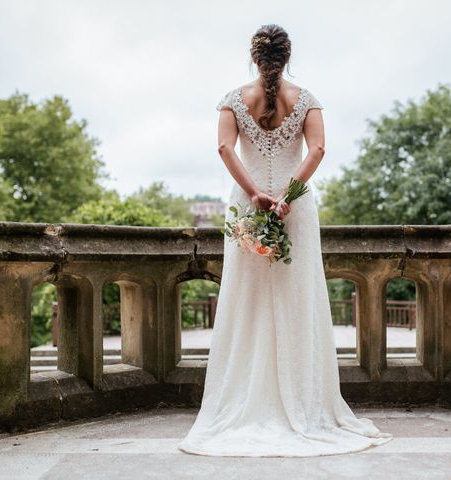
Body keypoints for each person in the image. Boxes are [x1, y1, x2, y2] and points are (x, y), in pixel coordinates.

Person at [177, 24, 393, 457]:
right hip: (293, 212)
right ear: (286, 56)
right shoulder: (307, 99)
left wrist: (256, 194)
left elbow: (223, 148)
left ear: (254, 57)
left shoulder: (233, 100)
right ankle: (302, 402)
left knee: (246, 302)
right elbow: (318, 150)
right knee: (297, 300)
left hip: (247, 206)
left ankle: (245, 402)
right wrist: (287, 196)